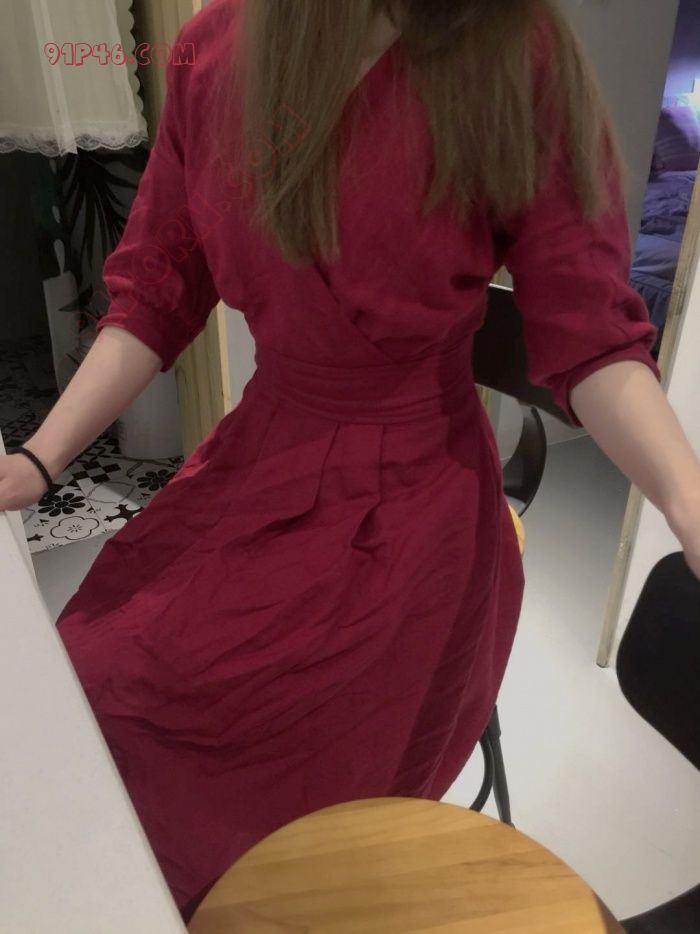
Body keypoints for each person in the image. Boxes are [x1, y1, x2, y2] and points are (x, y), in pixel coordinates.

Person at [1, 0, 699, 921]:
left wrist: (687, 501)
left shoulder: (514, 52)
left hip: (415, 504)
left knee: (292, 800)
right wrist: (38, 462)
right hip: (261, 460)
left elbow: (592, 334)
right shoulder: (215, 49)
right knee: (98, 687)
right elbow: (157, 290)